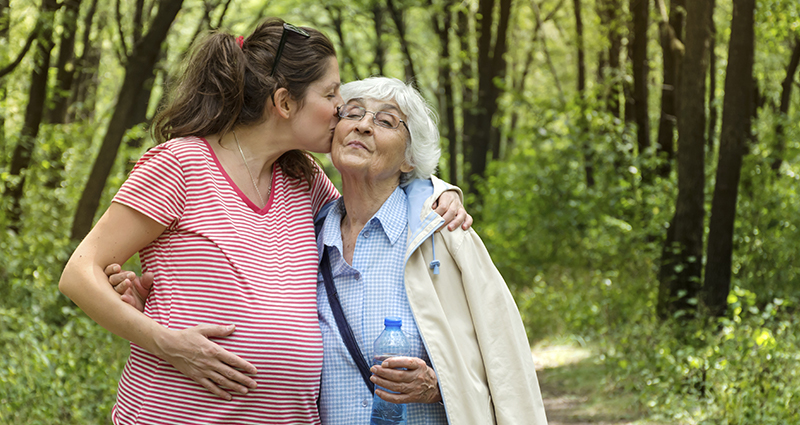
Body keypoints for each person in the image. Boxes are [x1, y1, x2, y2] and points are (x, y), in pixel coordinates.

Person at [59, 19, 467, 425]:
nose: (342, 108)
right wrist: (165, 342)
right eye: (330, 93)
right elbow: (79, 274)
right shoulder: (180, 165)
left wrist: (434, 189)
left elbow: (369, 203)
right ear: (286, 103)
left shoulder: (302, 179)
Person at [110, 77, 547, 425]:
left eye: (387, 121)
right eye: (352, 113)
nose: (362, 125)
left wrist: (436, 386)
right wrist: (166, 303)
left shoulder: (443, 235)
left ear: (410, 160)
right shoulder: (304, 228)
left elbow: (507, 369)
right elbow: (245, 291)